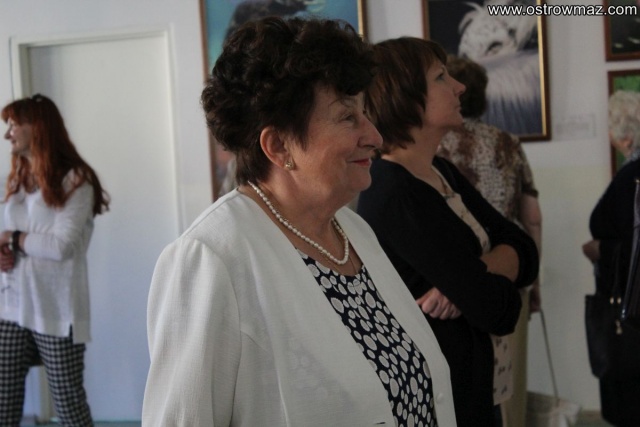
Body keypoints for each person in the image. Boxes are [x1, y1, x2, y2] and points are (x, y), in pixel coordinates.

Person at [142, 17, 457, 426]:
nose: (374, 136)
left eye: (365, 112)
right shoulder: (212, 257)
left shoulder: (354, 232)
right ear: (278, 146)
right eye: (347, 117)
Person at [357, 37, 539, 427]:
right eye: (441, 77)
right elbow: (499, 309)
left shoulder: (441, 170)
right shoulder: (396, 192)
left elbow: (526, 249)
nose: (459, 87)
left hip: (478, 383)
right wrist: (482, 280)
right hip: (441, 398)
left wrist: (472, 274)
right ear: (405, 97)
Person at [438, 55, 542, 427]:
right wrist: (533, 279)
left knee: (460, 385)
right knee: (508, 385)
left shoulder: (433, 149)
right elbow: (532, 217)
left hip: (451, 282)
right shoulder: (507, 144)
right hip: (507, 272)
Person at [0, 94, 110, 426]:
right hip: (12, 305)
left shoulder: (76, 180)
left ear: (38, 127)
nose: (7, 134)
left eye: (14, 124)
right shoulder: (17, 178)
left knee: (68, 403)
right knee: (3, 402)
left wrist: (13, 239)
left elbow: (61, 246)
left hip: (57, 309)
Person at [582, 90, 640, 427]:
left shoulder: (632, 178)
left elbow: (633, 246)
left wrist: (600, 250)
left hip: (631, 311)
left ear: (626, 136)